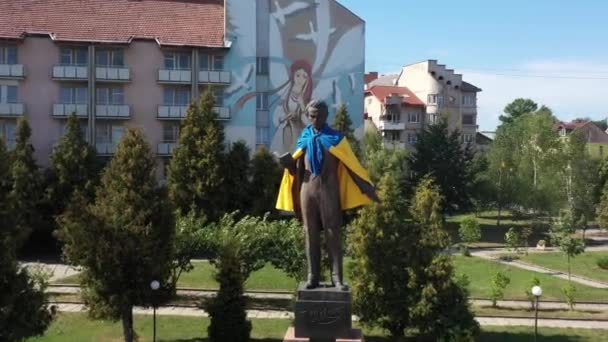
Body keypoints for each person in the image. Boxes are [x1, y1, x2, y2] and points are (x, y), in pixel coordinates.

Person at [276, 100, 378, 290]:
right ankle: (312, 276)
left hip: (329, 190)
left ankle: (336, 278)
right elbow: (297, 166)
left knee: (333, 232)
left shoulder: (337, 138)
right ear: (308, 115)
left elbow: (352, 166)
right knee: (310, 232)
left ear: (325, 115)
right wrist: (289, 165)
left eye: (319, 115)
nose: (316, 119)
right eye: (312, 115)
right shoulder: (305, 137)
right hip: (307, 189)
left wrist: (368, 188)